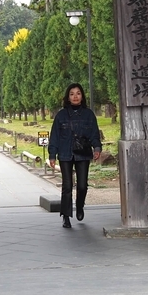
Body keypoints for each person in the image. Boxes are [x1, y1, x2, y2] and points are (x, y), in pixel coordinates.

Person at [47, 83, 101, 229]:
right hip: (65, 153)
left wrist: (96, 148)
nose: (75, 96)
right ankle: (66, 216)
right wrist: (52, 154)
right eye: (72, 94)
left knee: (82, 185)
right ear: (68, 97)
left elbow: (94, 134)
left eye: (78, 93)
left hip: (83, 153)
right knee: (67, 185)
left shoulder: (88, 114)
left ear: (82, 96)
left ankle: (80, 206)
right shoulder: (61, 115)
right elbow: (55, 136)